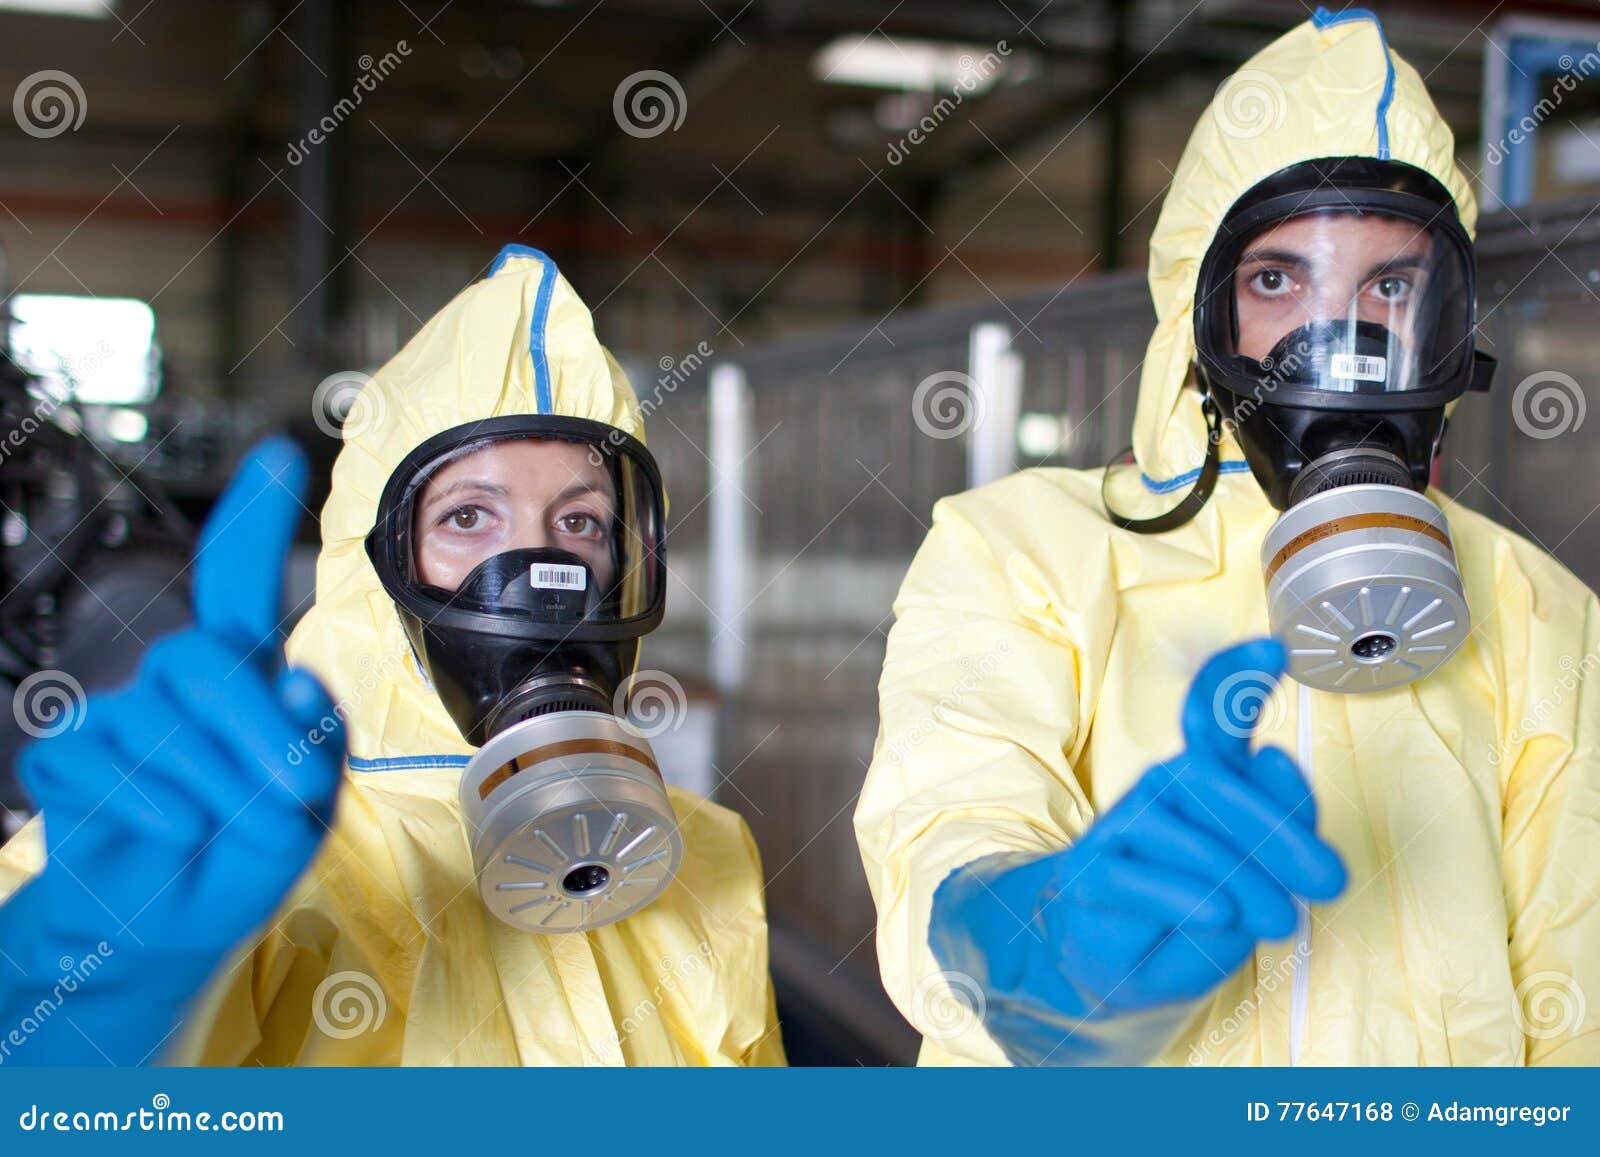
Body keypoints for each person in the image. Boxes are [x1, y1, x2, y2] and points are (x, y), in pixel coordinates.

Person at [855, 8, 1599, 1066]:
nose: (1339, 342)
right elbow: (944, 825)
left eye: (1389, 285)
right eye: (1277, 280)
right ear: (1198, 315)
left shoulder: (1538, 610)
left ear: (1446, 329)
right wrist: (1024, 936)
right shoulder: (1021, 550)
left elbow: (1579, 1017)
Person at [0, 244, 784, 1066]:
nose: (535, 574)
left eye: (580, 522)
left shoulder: (703, 856)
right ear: (373, 559)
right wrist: (98, 988)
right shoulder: (238, 836)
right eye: (469, 519)